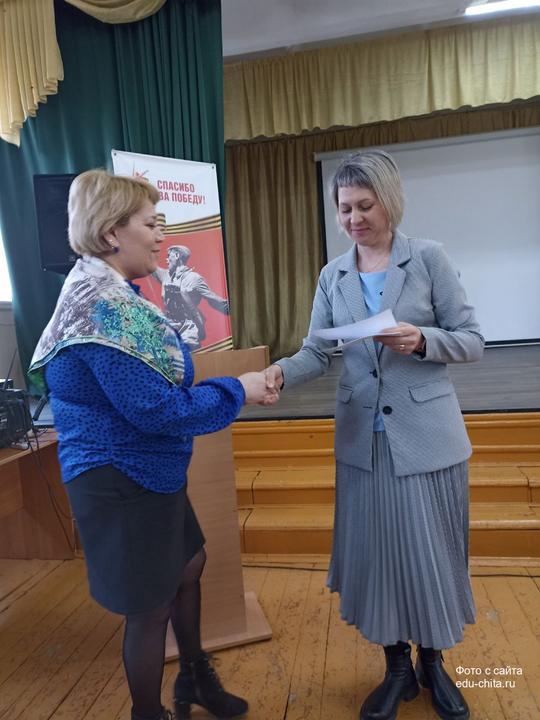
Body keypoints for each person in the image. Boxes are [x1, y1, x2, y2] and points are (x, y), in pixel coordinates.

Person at [29, 170, 278, 720]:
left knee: (189, 563)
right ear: (111, 233)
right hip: (121, 476)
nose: (161, 236)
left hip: (146, 468)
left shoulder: (103, 290)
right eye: (150, 224)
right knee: (149, 607)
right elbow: (159, 410)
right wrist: (239, 388)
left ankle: (193, 679)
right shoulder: (105, 309)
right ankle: (150, 713)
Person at [265, 150, 483, 720]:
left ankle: (433, 663)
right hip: (364, 441)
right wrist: (278, 374)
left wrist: (422, 340)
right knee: (380, 558)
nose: (354, 218)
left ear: (389, 201)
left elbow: (471, 338)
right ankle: (397, 669)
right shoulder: (332, 275)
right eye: (344, 209)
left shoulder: (428, 258)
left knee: (430, 556)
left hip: (426, 437)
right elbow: (317, 351)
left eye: (365, 205)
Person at [153, 243, 229, 350]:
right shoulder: (165, 275)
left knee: (187, 354)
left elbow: (215, 301)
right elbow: (147, 266)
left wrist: (239, 311)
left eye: (168, 255)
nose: (166, 259)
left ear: (177, 255)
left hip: (187, 328)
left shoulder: (195, 279)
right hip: (169, 326)